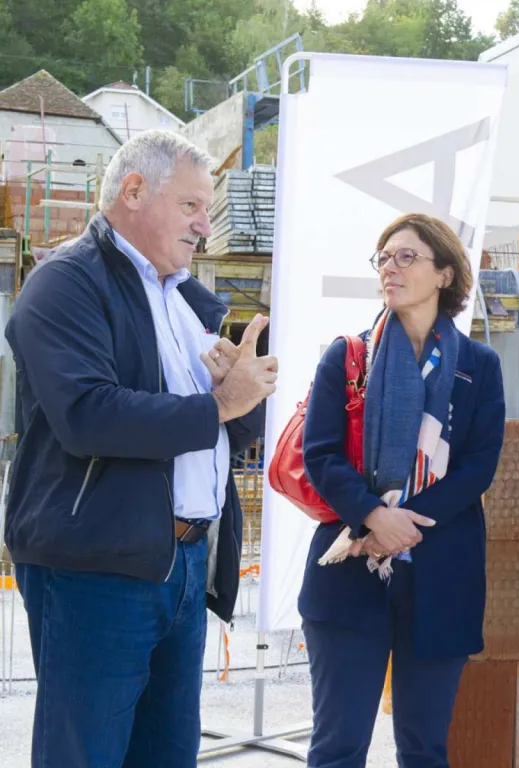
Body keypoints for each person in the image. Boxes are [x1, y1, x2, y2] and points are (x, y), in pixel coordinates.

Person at [3, 130, 277, 768]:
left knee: (165, 755)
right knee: (86, 756)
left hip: (180, 565)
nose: (206, 226)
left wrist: (244, 398)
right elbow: (88, 415)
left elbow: (215, 432)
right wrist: (218, 405)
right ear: (133, 191)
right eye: (191, 206)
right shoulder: (65, 284)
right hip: (98, 572)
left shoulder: (182, 300)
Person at [298, 213, 506, 768]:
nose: (390, 267)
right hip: (348, 572)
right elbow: (320, 455)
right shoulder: (347, 357)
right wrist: (372, 516)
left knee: (424, 749)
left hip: (440, 575)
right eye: (384, 258)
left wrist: (403, 523)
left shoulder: (480, 367)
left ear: (444, 273)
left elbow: (478, 467)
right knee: (338, 747)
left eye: (406, 256)